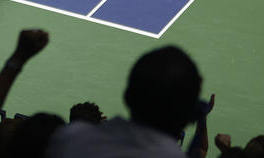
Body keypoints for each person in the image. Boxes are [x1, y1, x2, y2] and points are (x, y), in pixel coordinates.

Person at [48, 46, 208, 158]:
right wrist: (202, 119)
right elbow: (199, 151)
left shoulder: (69, 138)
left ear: (127, 96)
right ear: (188, 112)